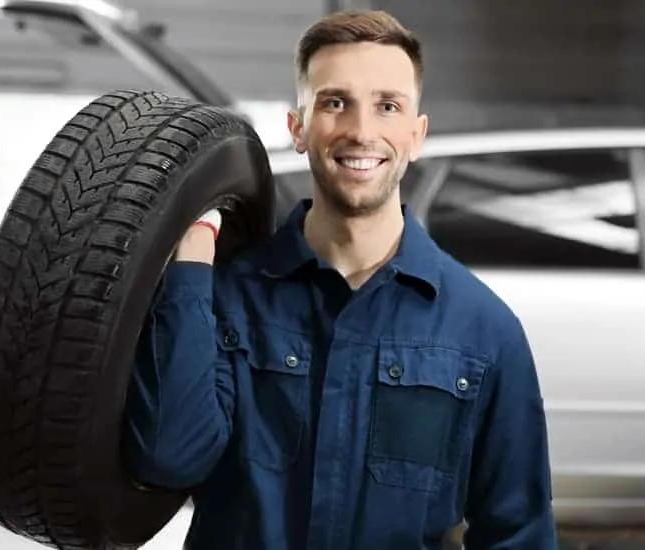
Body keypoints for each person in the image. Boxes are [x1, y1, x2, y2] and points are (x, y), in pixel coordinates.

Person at [122, 9, 558, 550]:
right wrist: (191, 256)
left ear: (416, 134)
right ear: (298, 128)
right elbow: (167, 458)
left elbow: (518, 533)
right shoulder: (223, 299)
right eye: (334, 103)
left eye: (388, 106)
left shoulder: (484, 331)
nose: (361, 131)